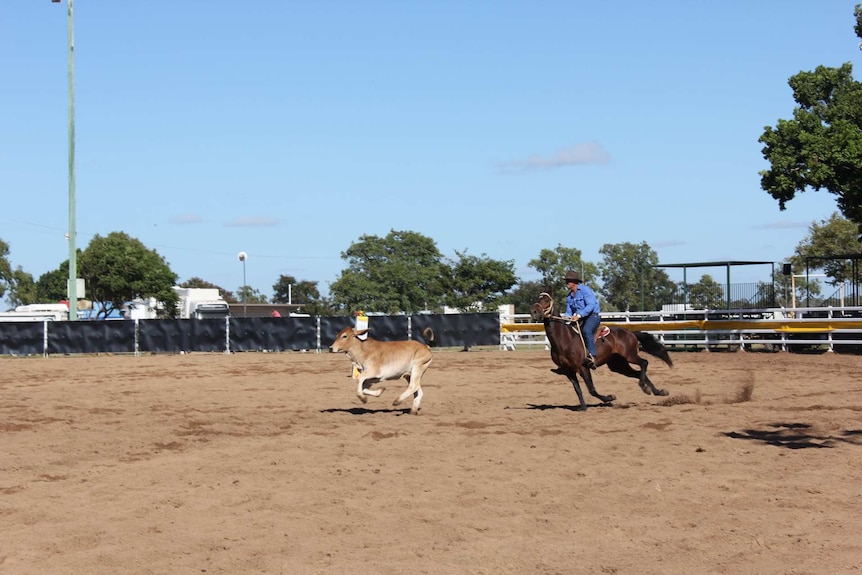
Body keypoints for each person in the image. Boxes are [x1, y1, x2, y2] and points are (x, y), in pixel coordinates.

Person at [563, 270, 600, 369]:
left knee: (586, 330)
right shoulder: (569, 297)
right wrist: (565, 317)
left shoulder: (585, 290)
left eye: (568, 281)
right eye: (566, 281)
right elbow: (569, 311)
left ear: (574, 282)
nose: (566, 283)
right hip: (579, 318)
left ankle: (592, 356)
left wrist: (579, 315)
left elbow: (591, 305)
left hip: (592, 316)